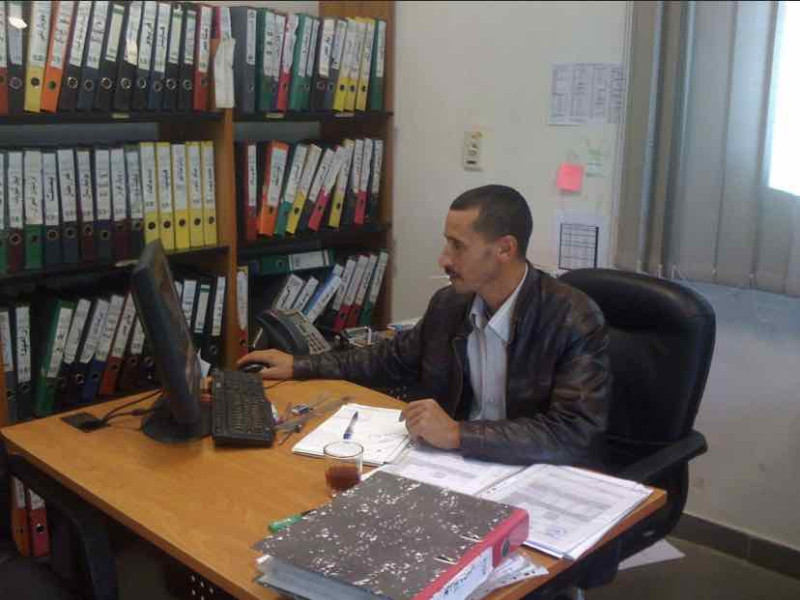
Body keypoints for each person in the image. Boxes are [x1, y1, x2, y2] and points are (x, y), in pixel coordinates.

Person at [239, 185, 611, 466]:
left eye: (458, 246)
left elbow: (573, 433)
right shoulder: (450, 305)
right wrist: (300, 364)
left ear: (504, 249)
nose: (443, 259)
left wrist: (458, 434)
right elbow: (388, 359)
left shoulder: (572, 317)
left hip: (533, 477)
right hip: (459, 468)